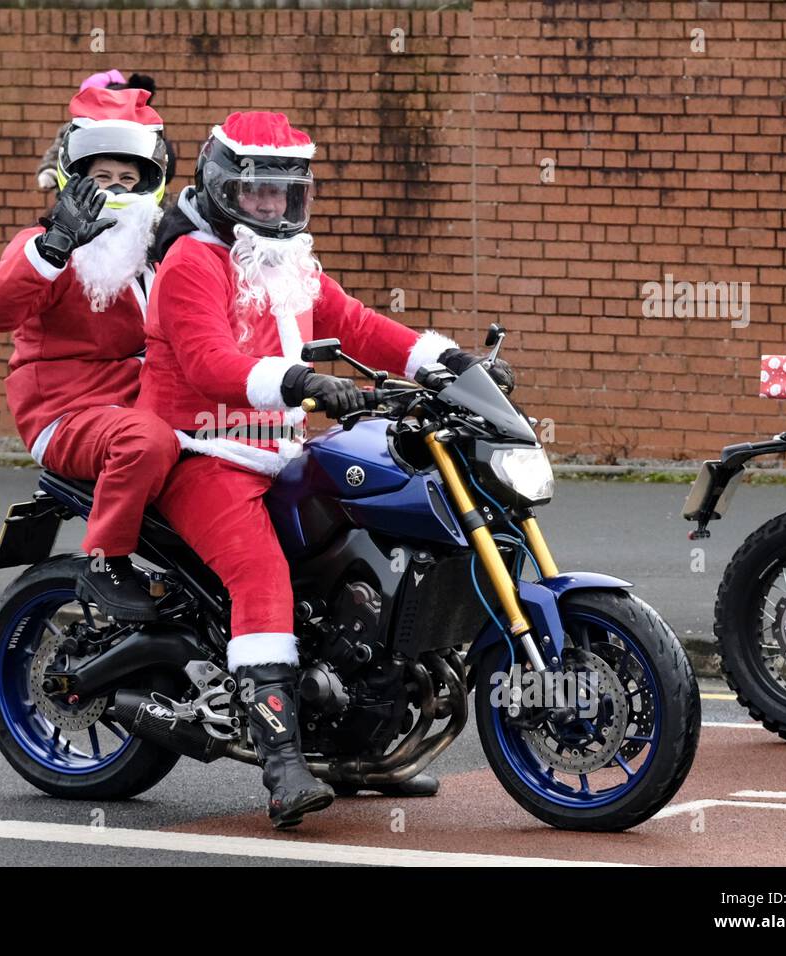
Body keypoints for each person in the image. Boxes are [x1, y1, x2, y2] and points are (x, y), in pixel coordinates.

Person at [139, 111, 511, 827]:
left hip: (280, 454)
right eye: (257, 191)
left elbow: (363, 325)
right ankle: (281, 763)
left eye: (284, 192)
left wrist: (455, 365)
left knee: (362, 561)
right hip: (202, 454)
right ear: (224, 188)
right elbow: (208, 363)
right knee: (261, 575)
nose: (272, 204)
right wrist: (302, 383)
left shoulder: (287, 262)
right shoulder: (192, 261)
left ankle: (367, 746)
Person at [0, 86, 179, 621]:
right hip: (66, 413)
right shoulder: (47, 242)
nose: (115, 189)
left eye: (128, 179)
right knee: (146, 441)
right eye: (102, 178)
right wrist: (55, 245)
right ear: (75, 180)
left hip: (144, 403)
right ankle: (106, 561)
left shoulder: (155, 250)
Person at [37, 73, 178, 195]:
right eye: (103, 177)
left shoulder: (142, 130)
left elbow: (166, 163)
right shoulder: (77, 132)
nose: (115, 186)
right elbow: (59, 151)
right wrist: (49, 169)